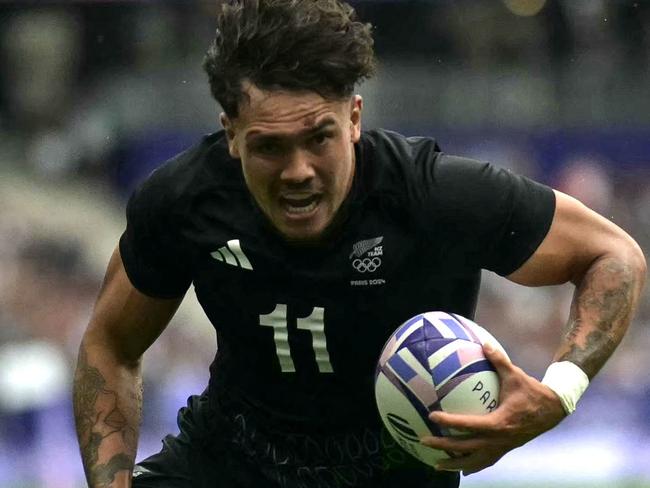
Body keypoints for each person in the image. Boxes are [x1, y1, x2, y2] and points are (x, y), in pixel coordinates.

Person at [72, 1, 647, 487]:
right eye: (269, 147)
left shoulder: (433, 194)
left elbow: (612, 254)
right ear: (230, 135)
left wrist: (560, 392)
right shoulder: (184, 199)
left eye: (318, 138)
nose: (298, 171)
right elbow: (110, 344)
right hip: (229, 462)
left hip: (396, 474)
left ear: (353, 118)